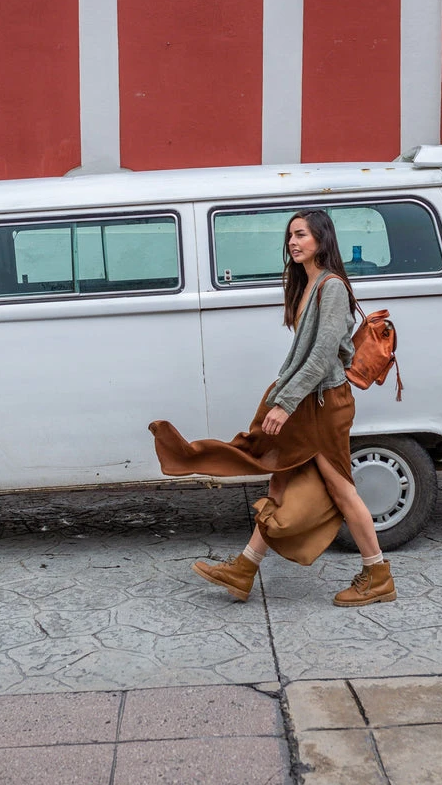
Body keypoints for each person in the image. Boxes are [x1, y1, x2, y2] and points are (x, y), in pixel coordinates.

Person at [149, 209, 397, 608]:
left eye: (301, 235)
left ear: (321, 239)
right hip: (308, 403)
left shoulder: (331, 287)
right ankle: (244, 568)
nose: (293, 243)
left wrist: (284, 403)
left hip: (325, 405)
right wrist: (282, 397)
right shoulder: (308, 284)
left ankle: (378, 573)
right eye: (290, 237)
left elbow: (321, 357)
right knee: (281, 481)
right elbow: (301, 354)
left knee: (341, 488)